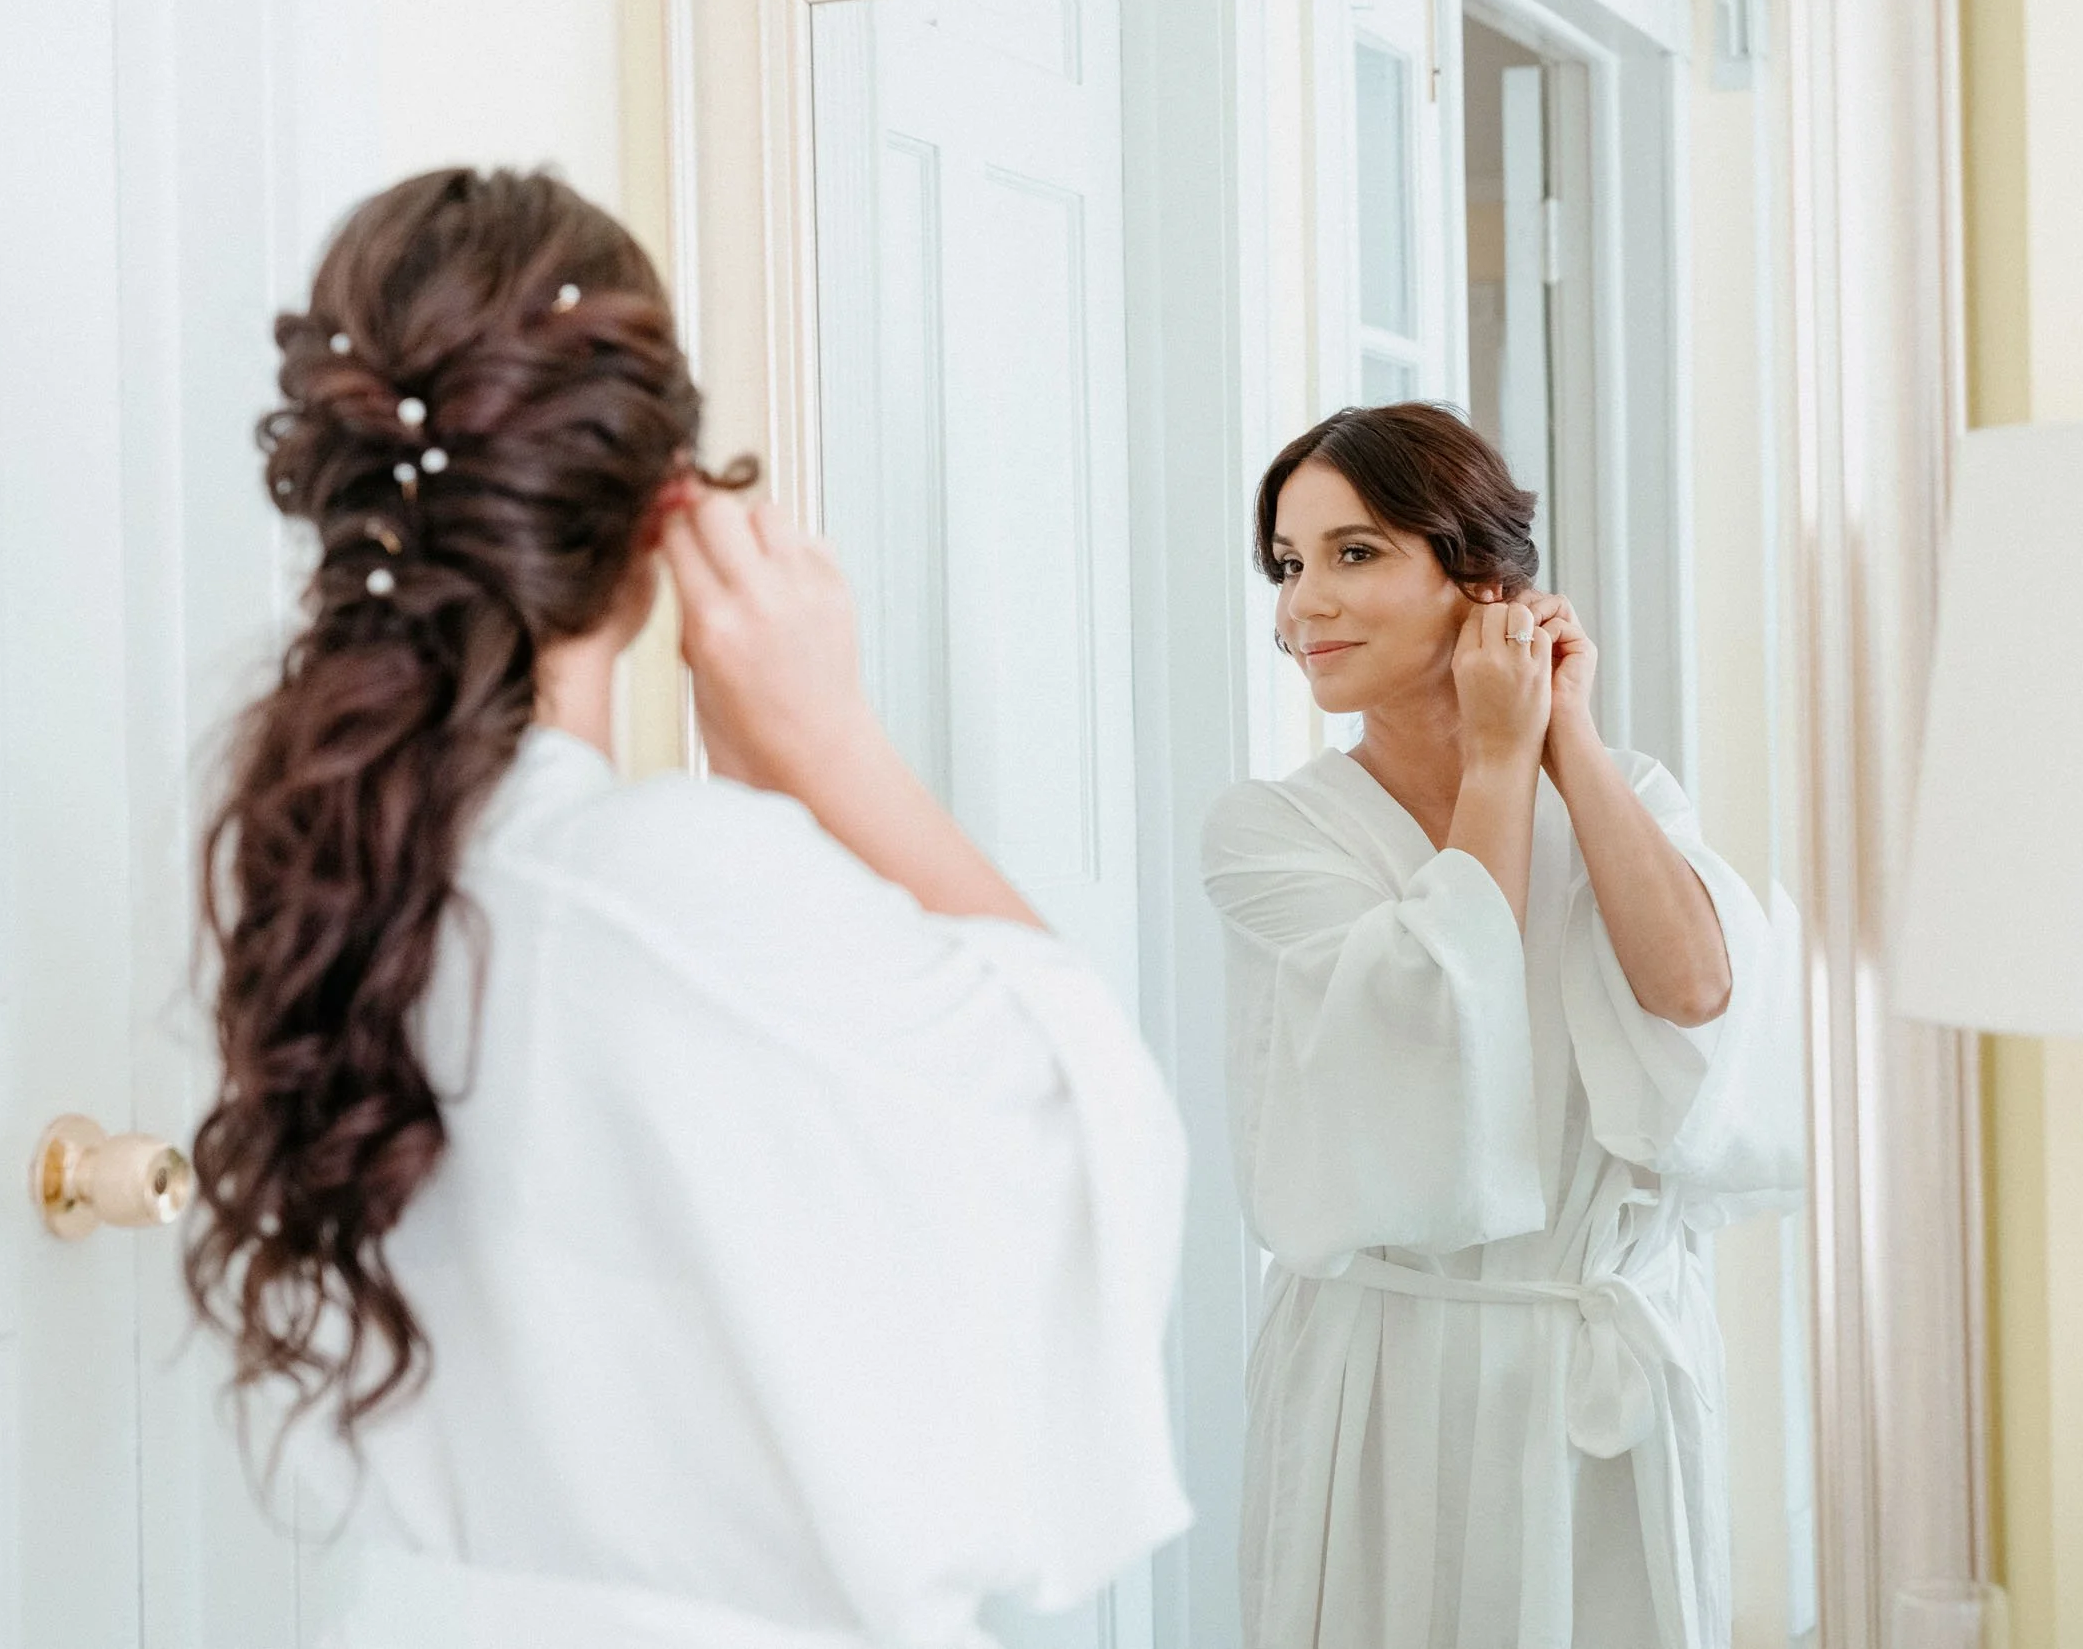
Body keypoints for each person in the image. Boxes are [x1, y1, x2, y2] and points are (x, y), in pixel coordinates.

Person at [185, 166, 1190, 1649]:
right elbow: (1086, 1118)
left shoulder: (321, 864)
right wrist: (826, 745)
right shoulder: (678, 877)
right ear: (665, 519)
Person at [1203, 405, 1802, 1649]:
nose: (1301, 603)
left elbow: (1695, 993)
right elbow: (1433, 1019)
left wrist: (1562, 736)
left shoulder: (1624, 792)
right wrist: (1492, 760)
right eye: (1288, 562)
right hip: (1386, 1374)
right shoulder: (1270, 833)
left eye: (1353, 552)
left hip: (1598, 1371)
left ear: (1481, 580)